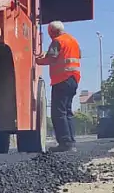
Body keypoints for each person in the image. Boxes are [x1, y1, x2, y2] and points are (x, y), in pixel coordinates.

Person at [35, 20, 82, 152]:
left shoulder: (57, 41)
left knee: (58, 112)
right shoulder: (73, 41)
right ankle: (71, 142)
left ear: (52, 32)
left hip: (62, 79)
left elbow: (52, 58)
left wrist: (38, 60)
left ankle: (65, 143)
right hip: (73, 79)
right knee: (67, 111)